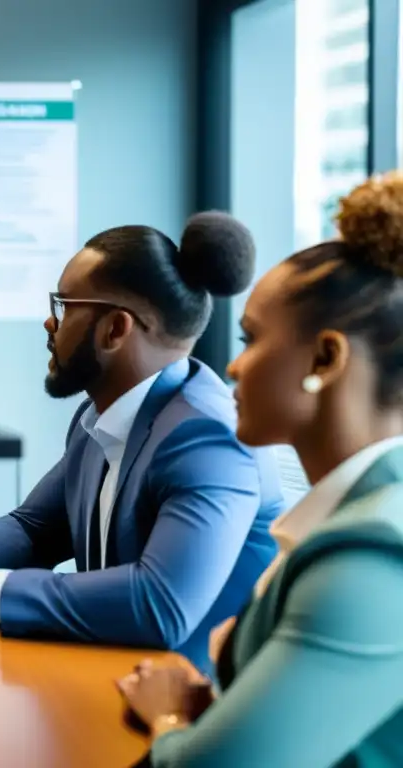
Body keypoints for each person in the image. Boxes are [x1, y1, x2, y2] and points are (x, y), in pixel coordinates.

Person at [0, 213, 285, 676]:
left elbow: (158, 605)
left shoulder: (209, 437)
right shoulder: (97, 416)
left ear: (115, 329)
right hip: (107, 674)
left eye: (63, 305)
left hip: (192, 706)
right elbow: (36, 525)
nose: (49, 322)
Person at [116, 175, 403, 766]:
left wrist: (170, 720)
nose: (233, 363)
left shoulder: (372, 552)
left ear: (326, 358)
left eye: (252, 338)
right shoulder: (356, 517)